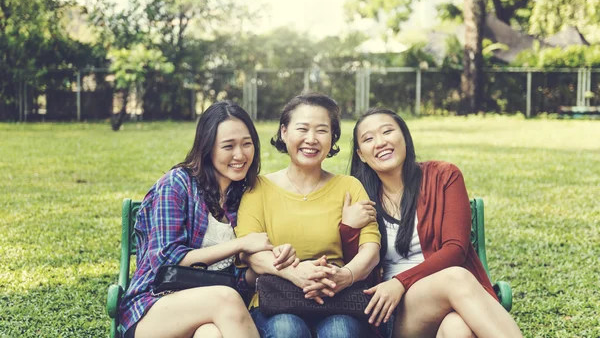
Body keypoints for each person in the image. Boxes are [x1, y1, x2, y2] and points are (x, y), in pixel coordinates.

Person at [118, 101, 297, 338]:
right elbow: (165, 260)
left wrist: (271, 261)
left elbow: (239, 279)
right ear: (207, 148)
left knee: (210, 334)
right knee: (225, 297)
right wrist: (240, 244)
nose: (240, 155)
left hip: (212, 313)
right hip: (154, 306)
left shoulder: (243, 195)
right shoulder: (176, 185)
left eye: (247, 144)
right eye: (228, 146)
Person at [343, 108, 523, 338]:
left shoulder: (443, 175)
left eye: (387, 131)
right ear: (361, 154)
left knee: (457, 328)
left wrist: (401, 281)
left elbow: (455, 250)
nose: (380, 142)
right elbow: (354, 269)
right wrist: (349, 228)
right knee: (455, 278)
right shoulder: (360, 197)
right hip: (395, 312)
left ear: (404, 137)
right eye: (369, 139)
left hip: (455, 296)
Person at [235, 93, 381, 338]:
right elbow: (251, 254)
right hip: (276, 301)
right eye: (302, 129)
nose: (311, 139)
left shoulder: (350, 186)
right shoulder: (257, 189)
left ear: (333, 137)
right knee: (287, 330)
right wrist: (296, 274)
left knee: (341, 332)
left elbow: (371, 249)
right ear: (284, 132)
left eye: (322, 130)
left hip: (338, 299)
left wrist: (345, 276)